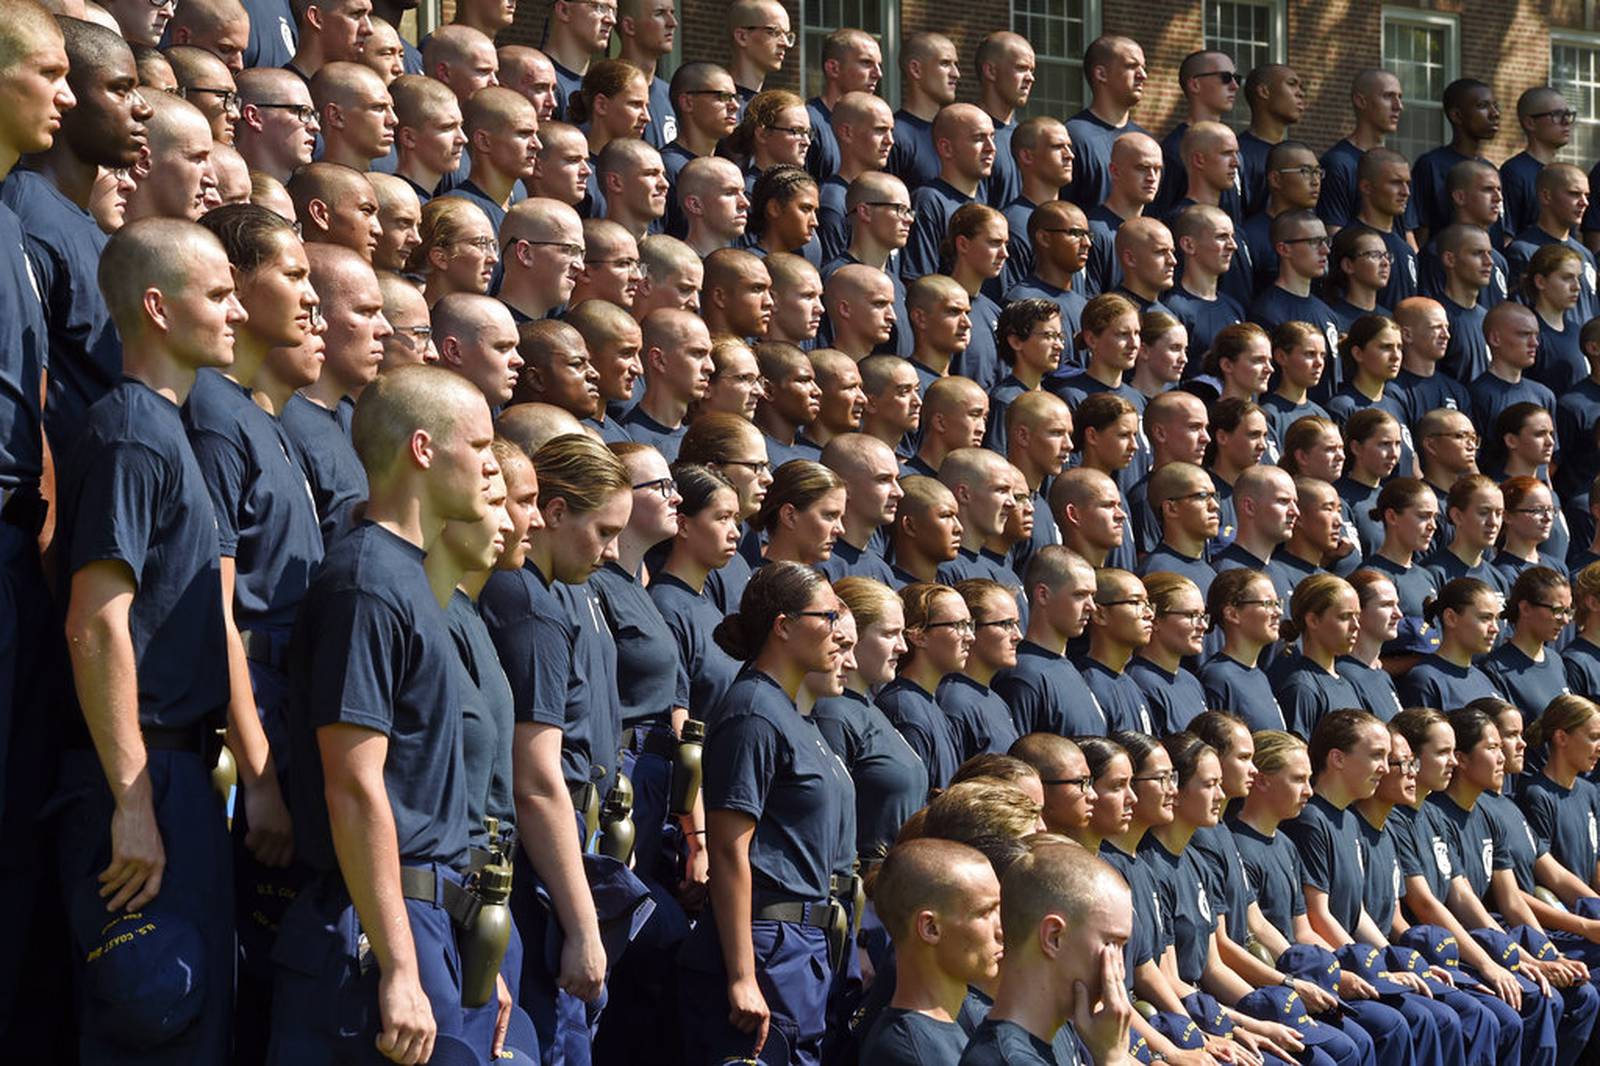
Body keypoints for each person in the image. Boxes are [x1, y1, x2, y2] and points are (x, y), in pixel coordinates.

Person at [50, 218, 240, 1064]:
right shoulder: (130, 431)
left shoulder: (169, 432)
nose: (237, 311)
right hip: (138, 772)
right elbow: (96, 618)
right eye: (219, 293)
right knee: (153, 1020)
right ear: (158, 308)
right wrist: (133, 800)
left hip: (179, 776)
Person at [478, 432, 632, 1058]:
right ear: (557, 511)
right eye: (602, 531)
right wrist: (584, 927)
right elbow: (537, 780)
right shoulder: (532, 608)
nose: (612, 550)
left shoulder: (535, 594)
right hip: (534, 867)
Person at [679, 560, 854, 1066]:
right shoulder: (753, 711)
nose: (840, 632)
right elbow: (731, 851)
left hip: (803, 946)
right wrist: (741, 975)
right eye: (828, 616)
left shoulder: (793, 713)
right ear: (783, 626)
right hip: (767, 946)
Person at [2, 16, 143, 454]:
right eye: (119, 90)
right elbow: (33, 384)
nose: (144, 107)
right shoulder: (28, 216)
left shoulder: (81, 226)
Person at [958, 843, 1136, 1066]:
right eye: (1111, 943)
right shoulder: (1010, 1060)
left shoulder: (1043, 1041)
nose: (1119, 968)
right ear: (1054, 937)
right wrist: (1113, 1059)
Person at [860, 836, 1003, 1066]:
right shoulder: (909, 1053)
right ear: (930, 928)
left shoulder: (961, 1026)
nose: (1001, 931)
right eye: (985, 913)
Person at [817, 576, 927, 866]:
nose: (903, 647)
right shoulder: (832, 714)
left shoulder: (871, 709)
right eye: (890, 634)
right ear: (854, 634)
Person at [651, 462, 743, 724]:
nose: (735, 533)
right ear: (683, 525)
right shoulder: (665, 605)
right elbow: (677, 716)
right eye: (722, 518)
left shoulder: (708, 604)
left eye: (735, 519)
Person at [993, 546, 1106, 738]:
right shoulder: (1023, 676)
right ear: (1043, 594)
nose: (1091, 607)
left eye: (1092, 596)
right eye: (1079, 595)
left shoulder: (1067, 667)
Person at [1519, 695, 1600, 889]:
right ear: (1561, 737)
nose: (1599, 747)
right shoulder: (1536, 795)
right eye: (1594, 737)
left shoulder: (1589, 791)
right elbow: (1546, 874)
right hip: (1565, 911)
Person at [1271, 575, 1364, 737]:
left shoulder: (1346, 683)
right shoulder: (1302, 688)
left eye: (1358, 616)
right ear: (1313, 620)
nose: (1356, 626)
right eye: (1345, 617)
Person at [1411, 79, 1503, 242]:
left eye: (1495, 106)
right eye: (1483, 106)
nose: (1495, 113)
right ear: (1457, 115)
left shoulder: (1490, 170)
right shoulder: (1431, 165)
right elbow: (1421, 230)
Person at [619, 308, 714, 462]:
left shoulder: (698, 443)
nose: (710, 366)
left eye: (709, 355)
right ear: (659, 360)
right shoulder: (629, 443)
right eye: (697, 353)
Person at [1316, 68, 1405, 233]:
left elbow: (1407, 234)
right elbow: (1334, 235)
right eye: (1388, 96)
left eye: (1400, 97)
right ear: (1361, 101)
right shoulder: (1338, 164)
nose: (1398, 106)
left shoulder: (1397, 166)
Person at [1197, 568, 1285, 732]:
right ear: (1232, 614)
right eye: (1268, 603)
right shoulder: (1218, 678)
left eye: (1278, 603)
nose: (1278, 612)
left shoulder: (1260, 676)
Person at [1397, 577, 1504, 708]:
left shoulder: (1483, 678)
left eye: (1496, 619)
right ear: (1451, 618)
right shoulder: (1425, 680)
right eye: (1485, 618)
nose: (1495, 629)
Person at [1484, 567, 1574, 721]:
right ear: (1525, 608)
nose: (1565, 620)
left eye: (1568, 611)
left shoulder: (1556, 661)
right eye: (1557, 610)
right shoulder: (1496, 670)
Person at [888, 31, 961, 191]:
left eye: (956, 64)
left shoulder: (957, 134)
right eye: (945, 63)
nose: (956, 74)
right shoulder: (893, 137)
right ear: (916, 69)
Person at [1501, 87, 1574, 239]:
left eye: (1568, 115)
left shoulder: (1564, 174)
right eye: (1557, 115)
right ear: (1530, 123)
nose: (1566, 121)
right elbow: (1507, 235)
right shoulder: (1514, 172)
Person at [1237, 64, 1307, 216]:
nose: (1300, 93)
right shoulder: (1238, 155)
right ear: (1264, 91)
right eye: (1291, 84)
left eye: (1301, 87)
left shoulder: (1298, 155)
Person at [754, 459, 846, 568]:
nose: (841, 530)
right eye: (830, 516)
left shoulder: (824, 580)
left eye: (840, 518)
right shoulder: (756, 583)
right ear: (790, 516)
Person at [408, 197, 498, 305]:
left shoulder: (495, 318)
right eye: (480, 244)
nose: (494, 259)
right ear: (440, 258)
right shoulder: (410, 320)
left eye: (493, 245)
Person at [544, 0, 615, 118]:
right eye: (599, 7)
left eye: (613, 10)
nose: (612, 20)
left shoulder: (601, 88)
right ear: (564, 10)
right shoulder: (539, 84)